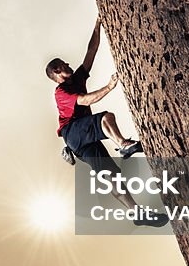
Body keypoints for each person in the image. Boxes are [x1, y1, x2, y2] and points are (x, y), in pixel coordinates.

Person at [46, 17, 168, 228]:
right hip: (72, 132)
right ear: (57, 71)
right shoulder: (61, 92)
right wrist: (109, 86)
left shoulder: (77, 79)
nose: (68, 64)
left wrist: (97, 26)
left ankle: (136, 213)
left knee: (112, 175)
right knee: (105, 118)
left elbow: (90, 52)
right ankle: (123, 145)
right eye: (63, 64)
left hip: (81, 142)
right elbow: (85, 100)